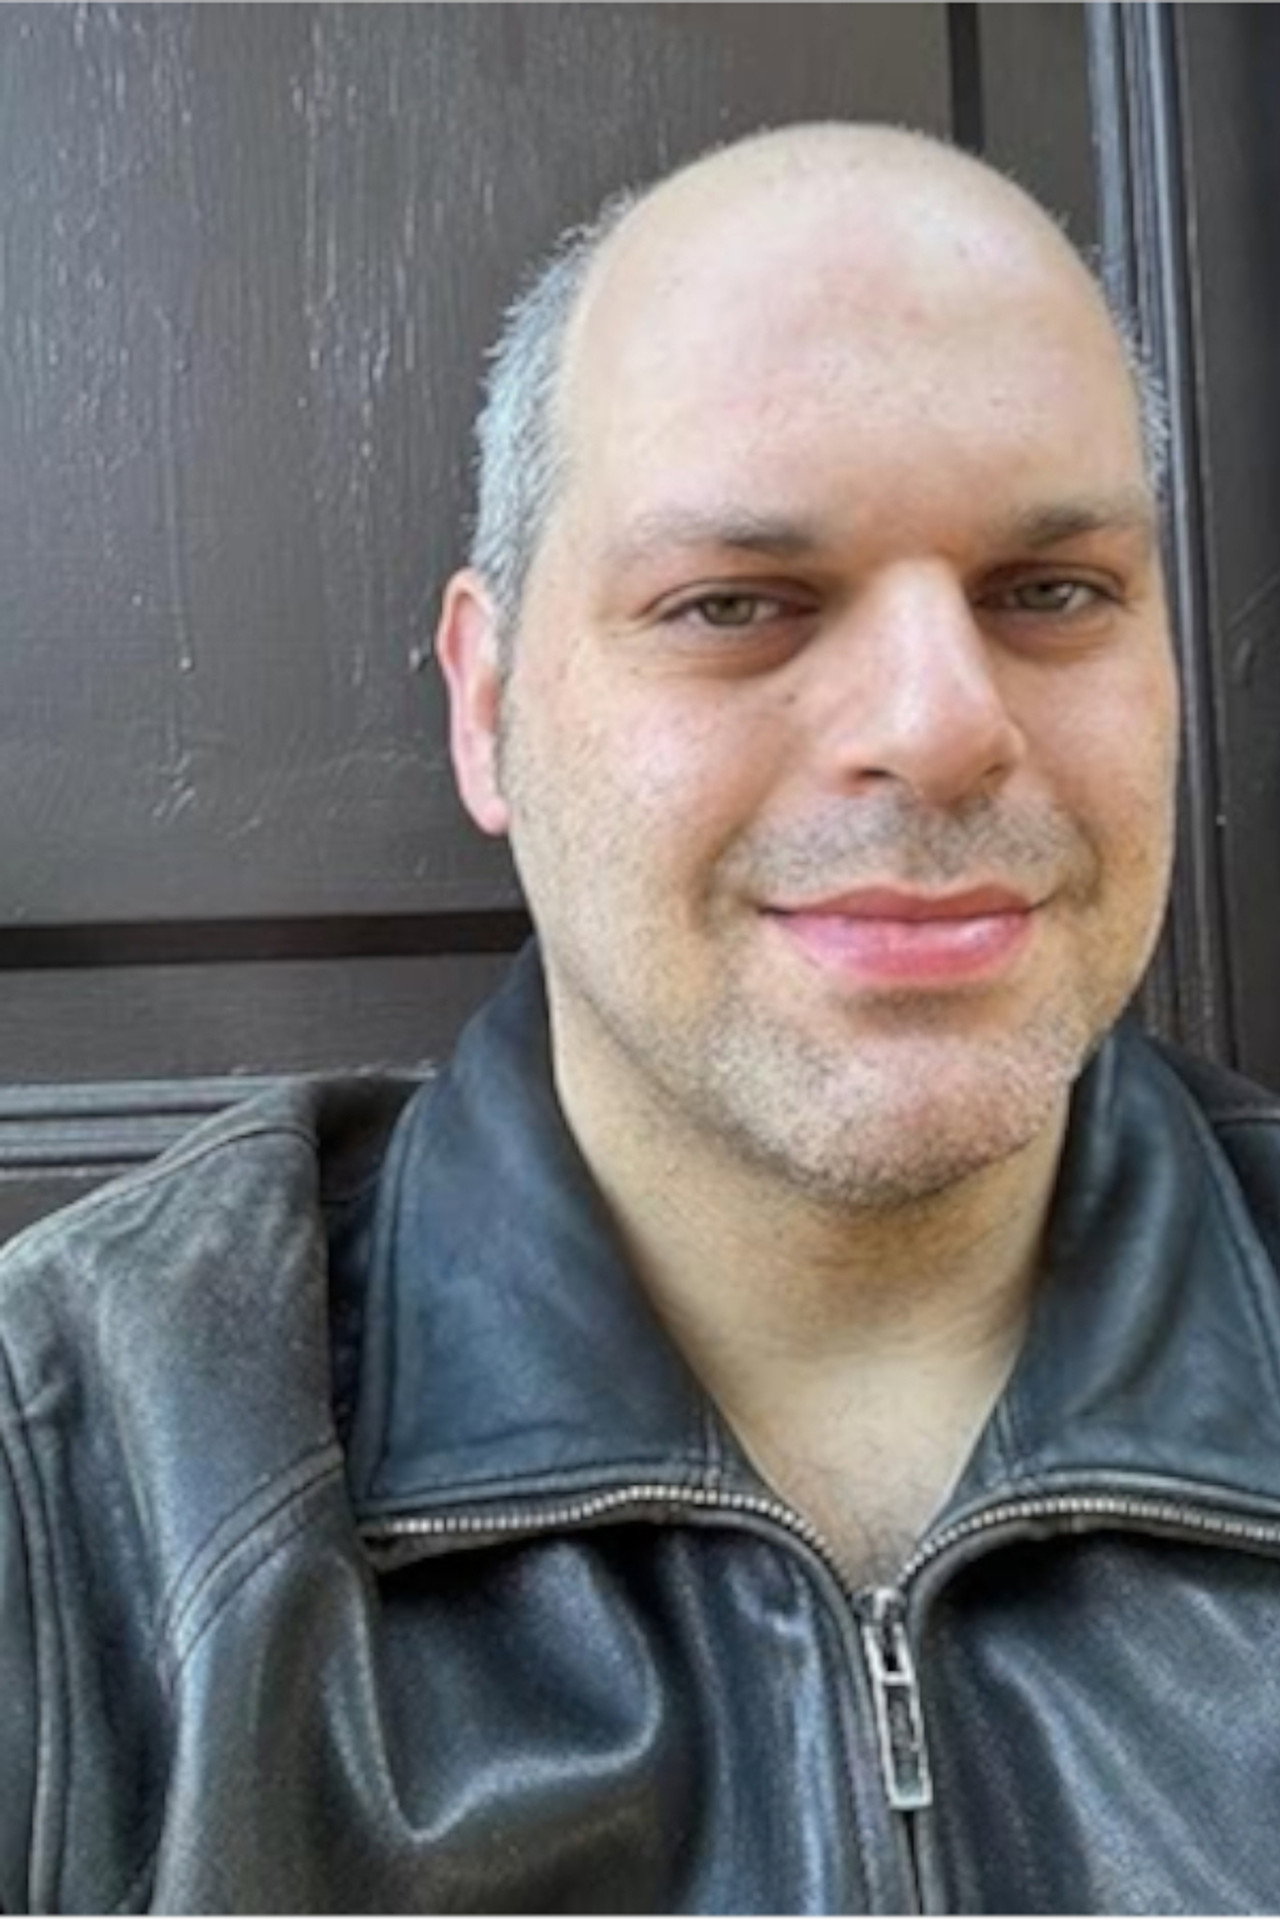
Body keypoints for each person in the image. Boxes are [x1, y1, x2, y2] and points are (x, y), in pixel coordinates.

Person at [2, 119, 1280, 1916]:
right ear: (487, 705)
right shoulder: (74, 1476)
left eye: (1051, 593)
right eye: (735, 604)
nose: (941, 725)